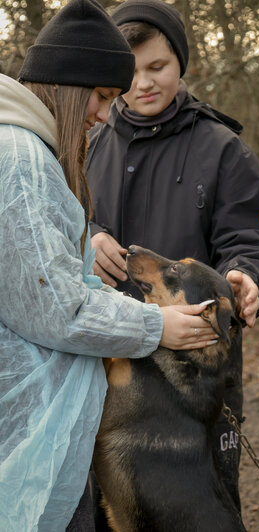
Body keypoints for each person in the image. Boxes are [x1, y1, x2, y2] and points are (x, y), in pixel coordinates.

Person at [0, 1, 217, 531]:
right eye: (100, 97)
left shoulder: (25, 152)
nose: (102, 115)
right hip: (33, 437)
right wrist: (155, 326)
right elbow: (57, 311)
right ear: (69, 85)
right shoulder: (22, 160)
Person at [86, 0, 259, 524]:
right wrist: (88, 237)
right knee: (104, 508)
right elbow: (56, 226)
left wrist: (248, 275)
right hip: (107, 368)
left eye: (158, 67)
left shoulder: (222, 149)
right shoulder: (86, 144)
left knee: (203, 511)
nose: (143, 84)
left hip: (195, 376)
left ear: (181, 63)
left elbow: (252, 237)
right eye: (129, 73)